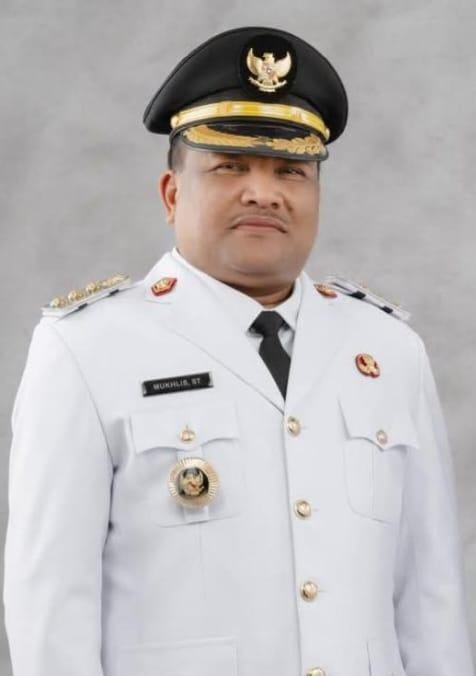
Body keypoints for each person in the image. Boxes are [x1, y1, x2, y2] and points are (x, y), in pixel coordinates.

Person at [3, 25, 474, 676]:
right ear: (172, 194)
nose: (263, 192)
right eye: (230, 166)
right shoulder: (87, 350)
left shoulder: (389, 353)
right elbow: (51, 611)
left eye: (290, 170)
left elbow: (431, 603)